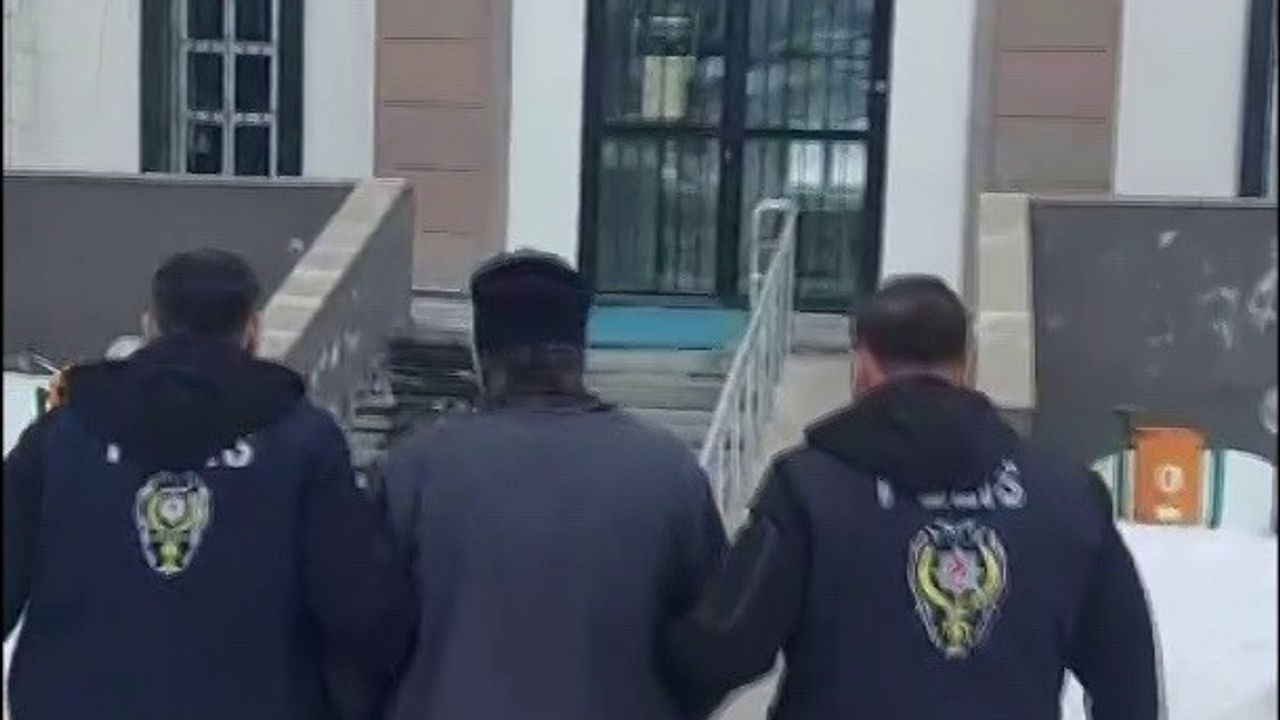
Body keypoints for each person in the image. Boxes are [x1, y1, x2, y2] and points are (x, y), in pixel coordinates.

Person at [665, 275, 1162, 720]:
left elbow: (727, 647)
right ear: (968, 365)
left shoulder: (808, 489)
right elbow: (1127, 674)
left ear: (863, 364)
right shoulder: (1067, 495)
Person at [3, 249, 415, 720]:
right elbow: (364, 615)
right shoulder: (302, 442)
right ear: (252, 331)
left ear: (151, 324)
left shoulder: (64, 435)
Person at [380, 250, 727, 720]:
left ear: (484, 359)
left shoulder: (412, 471)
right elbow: (719, 641)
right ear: (580, 351)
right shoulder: (669, 472)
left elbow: (365, 636)